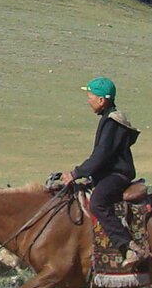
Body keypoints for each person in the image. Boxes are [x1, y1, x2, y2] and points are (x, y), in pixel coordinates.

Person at [60, 76, 142, 271]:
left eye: (90, 96)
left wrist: (75, 173)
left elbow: (102, 155)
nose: (88, 100)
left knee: (97, 203)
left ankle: (128, 247)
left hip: (117, 175)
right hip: (107, 173)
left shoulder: (113, 122)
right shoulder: (108, 118)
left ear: (101, 100)